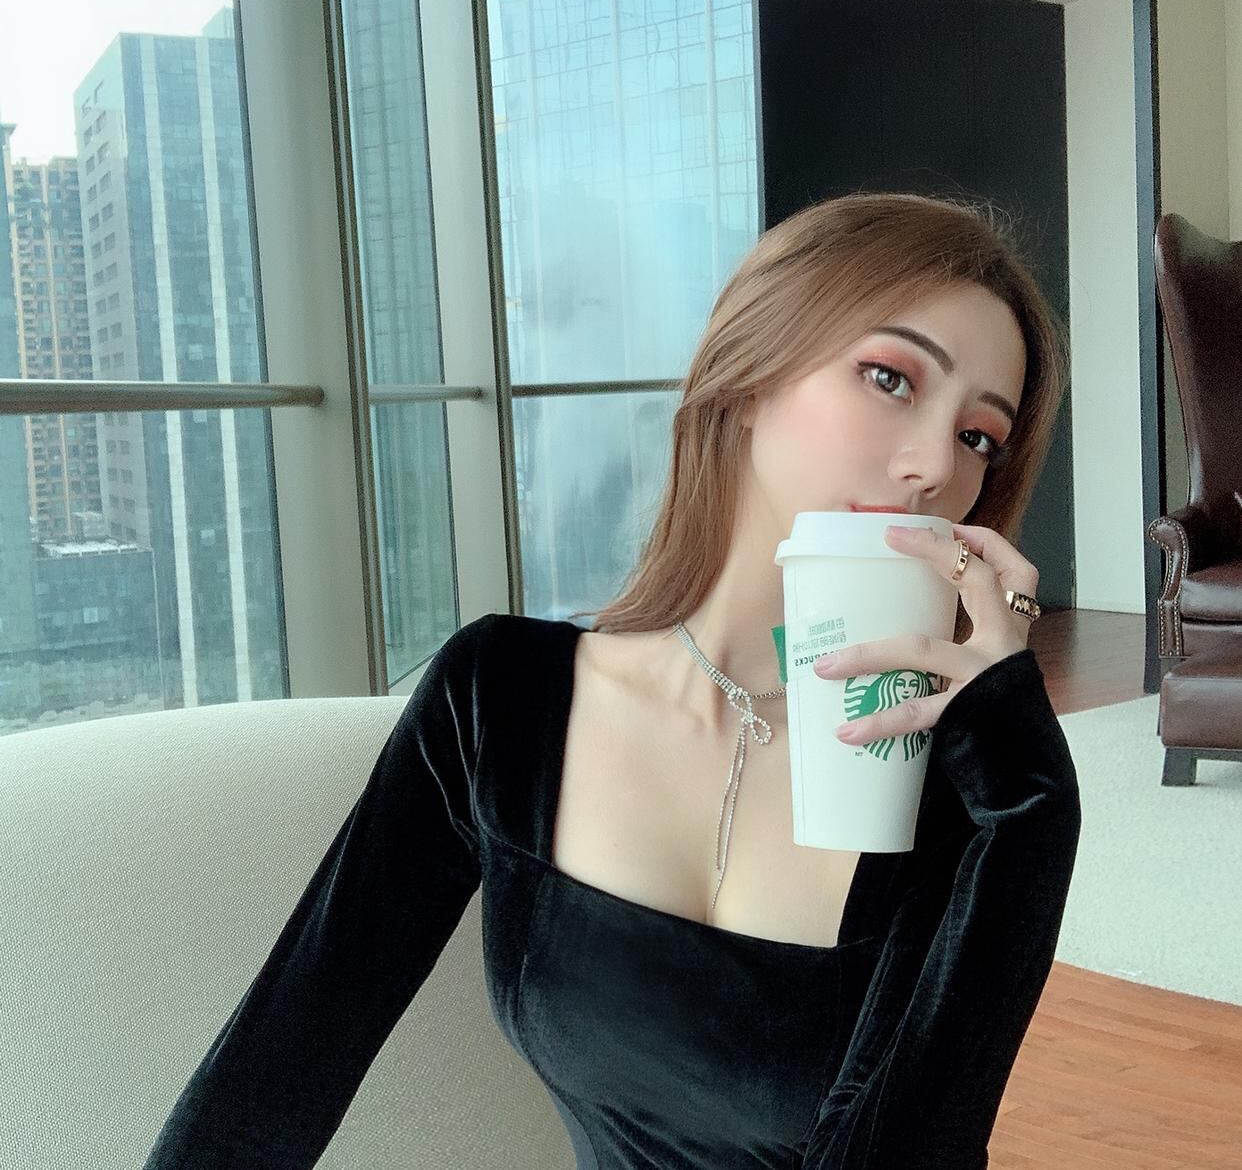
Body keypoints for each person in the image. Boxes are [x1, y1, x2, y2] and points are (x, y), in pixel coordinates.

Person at [143, 191, 1082, 1168]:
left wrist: (1030, 811)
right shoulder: (498, 700)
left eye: (979, 437)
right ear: (749, 373)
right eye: (890, 378)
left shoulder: (948, 782)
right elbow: (271, 1078)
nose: (933, 467)